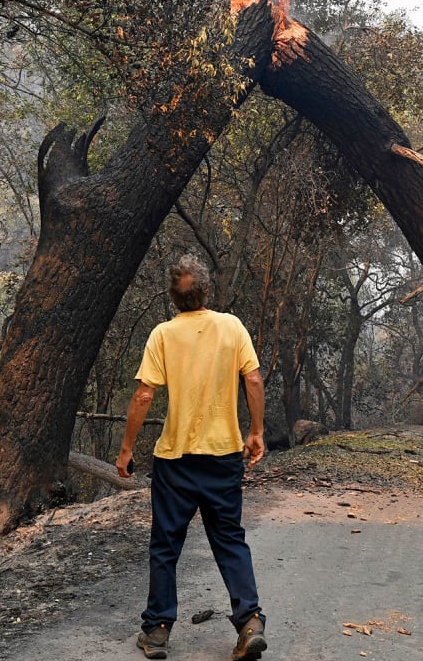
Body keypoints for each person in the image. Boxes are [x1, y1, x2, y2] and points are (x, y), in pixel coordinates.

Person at [117, 254, 268, 661]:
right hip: (222, 457)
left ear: (173, 296)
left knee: (166, 544)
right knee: (229, 539)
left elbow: (144, 394)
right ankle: (249, 621)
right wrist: (255, 432)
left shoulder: (163, 335)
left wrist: (127, 449)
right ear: (206, 290)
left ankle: (158, 630)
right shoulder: (231, 326)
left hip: (176, 459)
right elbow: (252, 378)